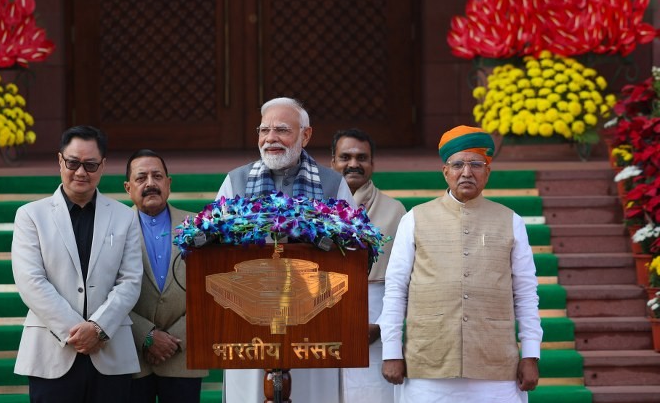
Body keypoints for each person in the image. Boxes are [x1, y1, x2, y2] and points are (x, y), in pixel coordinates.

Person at [379, 125, 542, 402]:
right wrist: (391, 351)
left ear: (487, 172)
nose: (467, 173)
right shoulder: (415, 219)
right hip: (429, 363)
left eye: (476, 164)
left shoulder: (511, 221)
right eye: (458, 164)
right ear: (446, 171)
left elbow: (526, 292)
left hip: (494, 364)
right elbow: (396, 288)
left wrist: (530, 354)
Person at [216, 96, 355, 403]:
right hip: (247, 324)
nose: (270, 139)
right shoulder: (236, 181)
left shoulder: (332, 185)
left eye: (281, 130)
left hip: (314, 324)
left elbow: (354, 250)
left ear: (305, 135)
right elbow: (215, 249)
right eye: (264, 130)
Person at [12, 125, 143, 403]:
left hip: (110, 352)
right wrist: (77, 331)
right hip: (51, 351)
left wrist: (97, 329)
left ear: (103, 166)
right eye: (73, 163)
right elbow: (30, 281)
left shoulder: (124, 217)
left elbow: (130, 281)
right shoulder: (30, 215)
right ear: (60, 161)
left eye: (90, 164)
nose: (81, 172)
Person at [125, 149, 208, 403]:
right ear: (128, 187)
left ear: (168, 183)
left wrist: (174, 339)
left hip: (183, 352)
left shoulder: (198, 226)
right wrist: (146, 336)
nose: (150, 183)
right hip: (132, 353)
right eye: (141, 178)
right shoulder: (113, 228)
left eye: (157, 176)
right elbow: (103, 290)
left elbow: (211, 289)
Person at [330, 128, 405, 401]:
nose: (353, 164)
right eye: (345, 157)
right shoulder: (313, 210)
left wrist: (382, 325)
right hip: (325, 321)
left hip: (376, 325)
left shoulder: (395, 211)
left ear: (372, 164)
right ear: (333, 162)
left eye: (362, 157)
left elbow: (408, 279)